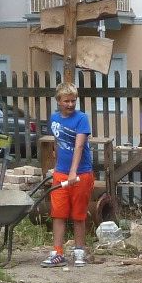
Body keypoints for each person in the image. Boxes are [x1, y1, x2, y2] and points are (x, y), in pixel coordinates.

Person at [43, 82, 93, 268]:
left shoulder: (81, 119)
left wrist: (73, 171)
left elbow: (79, 146)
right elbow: (57, 141)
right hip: (61, 173)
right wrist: (57, 166)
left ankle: (79, 251)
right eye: (67, 101)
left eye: (73, 101)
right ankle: (58, 252)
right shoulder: (54, 118)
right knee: (59, 213)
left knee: (78, 214)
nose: (70, 105)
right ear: (58, 101)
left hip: (80, 174)